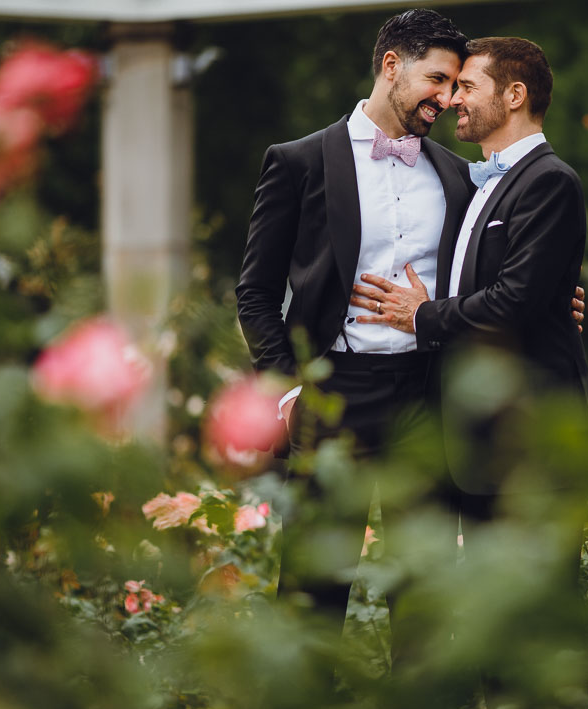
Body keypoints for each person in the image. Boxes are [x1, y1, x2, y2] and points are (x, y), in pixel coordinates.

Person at [234, 9, 472, 652]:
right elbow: (254, 294)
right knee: (315, 586)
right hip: (333, 397)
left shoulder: (456, 174)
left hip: (425, 395)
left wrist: (554, 299)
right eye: (438, 80)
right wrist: (286, 392)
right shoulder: (298, 162)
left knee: (423, 591)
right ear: (391, 65)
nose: (447, 101)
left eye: (454, 88)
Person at [349, 36, 588, 524]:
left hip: (528, 435)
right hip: (479, 440)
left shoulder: (548, 180)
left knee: (534, 594)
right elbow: (500, 283)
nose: (451, 99)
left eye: (466, 87)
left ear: (514, 95)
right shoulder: (477, 181)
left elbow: (513, 301)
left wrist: (421, 315)